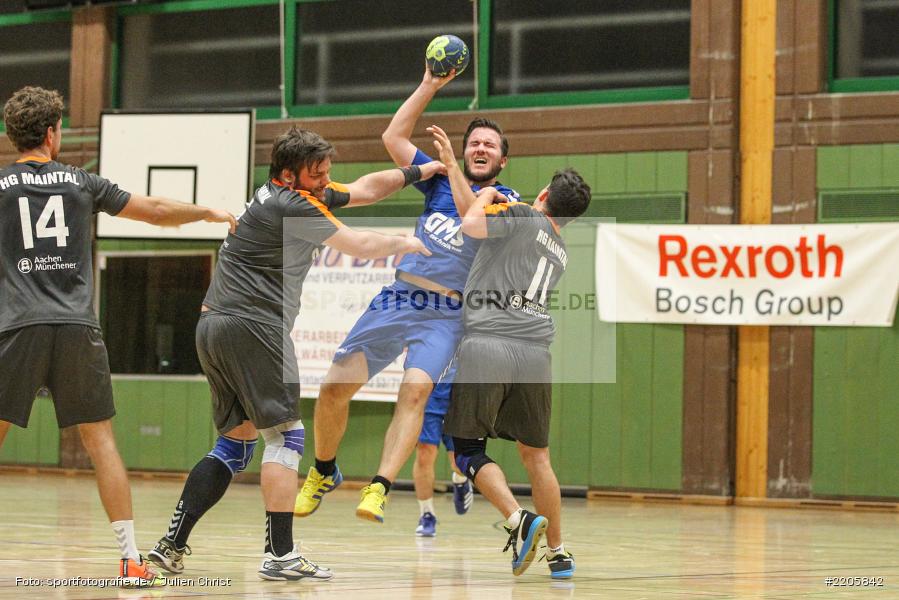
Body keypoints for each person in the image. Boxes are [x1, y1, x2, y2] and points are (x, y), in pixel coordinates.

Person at [147, 127, 441, 582]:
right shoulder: (294, 206)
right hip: (254, 326)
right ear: (290, 174)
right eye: (318, 174)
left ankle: (170, 546)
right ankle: (280, 554)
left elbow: (363, 190)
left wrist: (420, 170)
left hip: (214, 326)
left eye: (327, 173)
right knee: (287, 439)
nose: (326, 180)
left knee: (234, 443)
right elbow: (359, 245)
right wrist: (406, 243)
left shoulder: (279, 193)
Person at [0, 86, 236, 588]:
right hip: (76, 328)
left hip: (15, 326)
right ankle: (130, 561)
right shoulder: (84, 183)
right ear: (51, 133)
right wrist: (206, 212)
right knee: (101, 442)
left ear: (10, 135)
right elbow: (152, 210)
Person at [295, 65, 519, 524]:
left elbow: (469, 212)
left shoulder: (507, 199)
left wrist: (453, 169)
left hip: (446, 315)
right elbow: (393, 136)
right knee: (334, 388)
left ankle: (379, 486)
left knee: (414, 393)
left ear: (501, 160)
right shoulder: (437, 179)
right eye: (473, 142)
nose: (479, 147)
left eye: (489, 145)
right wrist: (429, 86)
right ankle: (322, 471)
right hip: (401, 297)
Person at [431, 125, 591, 578]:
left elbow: (470, 224)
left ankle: (519, 519)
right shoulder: (560, 249)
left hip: (490, 342)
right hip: (535, 352)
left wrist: (487, 195)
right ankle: (559, 552)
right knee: (537, 456)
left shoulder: (521, 213)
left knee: (464, 448)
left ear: (543, 194)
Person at [412, 365, 474, 537]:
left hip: (460, 396)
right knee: (424, 454)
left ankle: (460, 479)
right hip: (430, 395)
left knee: (458, 462)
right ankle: (427, 515)